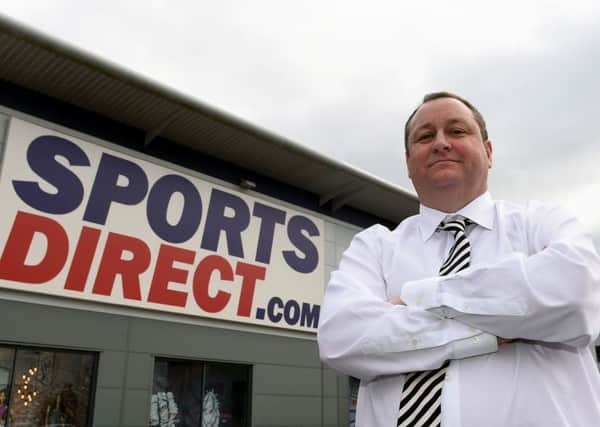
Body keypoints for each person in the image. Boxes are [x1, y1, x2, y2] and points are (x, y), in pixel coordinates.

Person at [317, 92, 600, 426]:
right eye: (425, 136)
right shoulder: (374, 246)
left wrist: (420, 297)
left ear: (489, 152)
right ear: (409, 163)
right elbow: (341, 338)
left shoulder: (541, 223)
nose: (441, 143)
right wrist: (496, 330)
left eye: (457, 131)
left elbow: (577, 296)